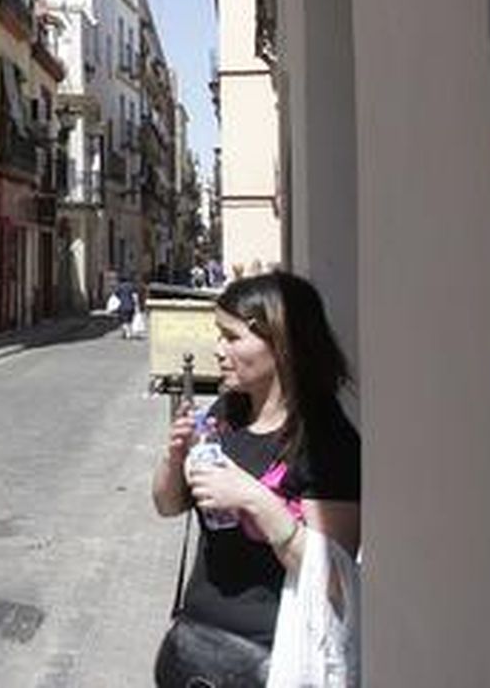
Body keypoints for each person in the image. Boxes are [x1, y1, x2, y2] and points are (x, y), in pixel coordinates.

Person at [150, 272, 361, 686]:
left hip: (275, 657)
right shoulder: (227, 415)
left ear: (281, 343)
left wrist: (255, 500)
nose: (218, 350)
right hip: (197, 644)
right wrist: (173, 458)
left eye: (232, 337)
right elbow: (167, 505)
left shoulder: (327, 442)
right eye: (219, 335)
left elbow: (334, 580)